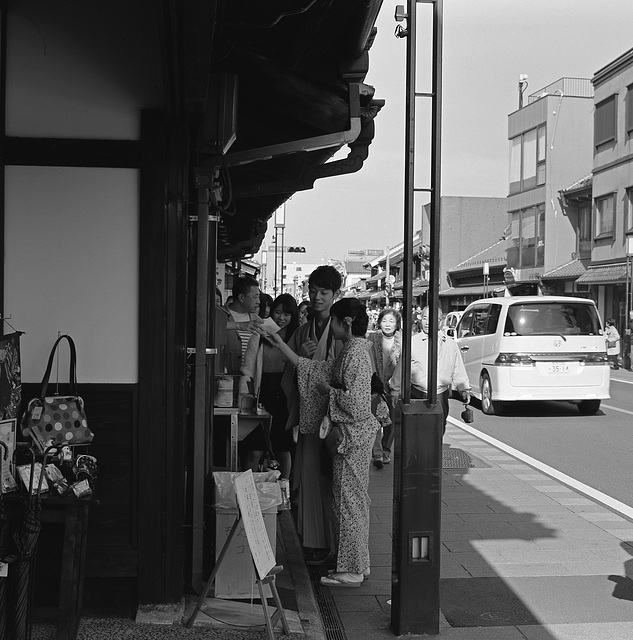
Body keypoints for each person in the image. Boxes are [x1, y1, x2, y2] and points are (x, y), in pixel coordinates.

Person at [270, 297, 378, 587]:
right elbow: (315, 369)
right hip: (354, 437)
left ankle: (352, 570)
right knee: (353, 501)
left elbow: (355, 404)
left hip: (352, 437)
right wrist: (281, 345)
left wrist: (328, 391)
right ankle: (358, 563)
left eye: (334, 320)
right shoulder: (356, 350)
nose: (331, 326)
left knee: (348, 501)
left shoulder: (354, 353)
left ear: (347, 323)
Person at [281, 265, 343, 565]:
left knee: (334, 481)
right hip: (309, 417)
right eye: (314, 291)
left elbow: (348, 375)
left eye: (324, 292)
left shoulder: (342, 329)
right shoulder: (303, 331)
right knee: (307, 477)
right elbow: (290, 371)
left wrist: (309, 364)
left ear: (335, 294)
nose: (317, 297)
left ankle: (339, 548)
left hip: (335, 418)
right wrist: (303, 362)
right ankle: (315, 543)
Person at [390, 305, 470, 434]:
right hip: (417, 393)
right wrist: (395, 390)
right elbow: (401, 368)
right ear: (420, 320)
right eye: (424, 318)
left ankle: (434, 454)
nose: (427, 322)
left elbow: (458, 368)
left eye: (432, 318)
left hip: (441, 394)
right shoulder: (412, 342)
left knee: (438, 430)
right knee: (417, 431)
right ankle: (419, 454)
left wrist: (464, 389)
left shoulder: (450, 343)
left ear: (440, 321)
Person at [256, 294, 299, 480]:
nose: (281, 318)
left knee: (283, 445)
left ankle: (285, 490)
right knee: (258, 444)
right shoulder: (262, 333)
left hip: (284, 393)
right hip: (262, 390)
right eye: (278, 312)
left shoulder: (296, 336)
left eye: (287, 314)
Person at [366, 307, 402, 469]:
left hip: (395, 387)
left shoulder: (403, 341)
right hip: (375, 386)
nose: (387, 324)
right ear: (379, 322)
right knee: (374, 420)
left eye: (391, 321)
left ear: (397, 324)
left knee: (391, 421)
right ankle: (377, 453)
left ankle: (386, 449)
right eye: (384, 320)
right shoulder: (372, 338)